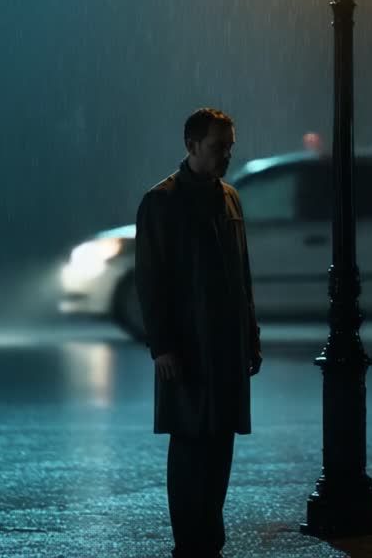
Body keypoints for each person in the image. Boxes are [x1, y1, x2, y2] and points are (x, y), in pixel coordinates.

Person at [134, 107, 262, 558]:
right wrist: (163, 345)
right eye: (218, 148)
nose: (226, 156)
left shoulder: (229, 197)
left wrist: (251, 333)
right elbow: (151, 280)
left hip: (224, 343)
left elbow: (241, 273)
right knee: (191, 445)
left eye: (228, 147)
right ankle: (193, 545)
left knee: (218, 445)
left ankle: (206, 542)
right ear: (191, 146)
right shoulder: (162, 202)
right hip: (188, 345)